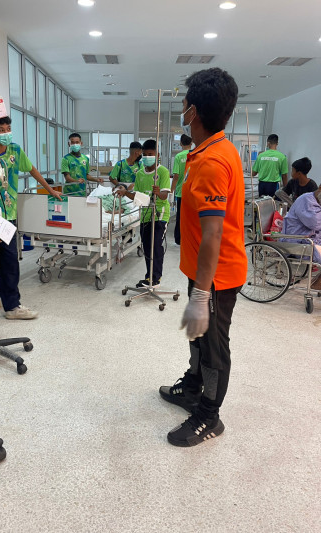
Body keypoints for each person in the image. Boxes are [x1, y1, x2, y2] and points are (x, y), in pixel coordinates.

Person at [159, 68, 247, 447]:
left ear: (193, 111)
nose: (181, 110)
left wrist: (200, 295)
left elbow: (213, 234)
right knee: (198, 337)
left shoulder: (213, 161)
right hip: (203, 269)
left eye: (183, 104)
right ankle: (193, 387)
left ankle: (209, 416)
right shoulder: (206, 151)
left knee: (213, 346)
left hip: (218, 275)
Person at [0, 116, 63, 319]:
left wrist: (50, 190)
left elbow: (32, 170)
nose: (6, 133)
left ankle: (12, 306)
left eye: (8, 128)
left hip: (8, 217)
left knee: (10, 262)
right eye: (1, 129)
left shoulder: (15, 150)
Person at [117, 139, 171, 287]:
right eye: (145, 155)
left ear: (157, 155)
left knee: (156, 246)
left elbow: (165, 196)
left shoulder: (162, 172)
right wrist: (125, 192)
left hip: (160, 215)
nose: (147, 157)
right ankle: (149, 278)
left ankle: (156, 278)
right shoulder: (140, 173)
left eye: (151, 154)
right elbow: (137, 196)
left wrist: (158, 192)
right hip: (145, 215)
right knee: (147, 247)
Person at [282, 186, 321, 288]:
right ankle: (317, 284)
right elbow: (315, 224)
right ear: (320, 188)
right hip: (298, 240)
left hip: (311, 238)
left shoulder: (316, 201)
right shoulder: (306, 200)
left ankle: (317, 282)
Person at [171, 134, 192, 245]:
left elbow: (176, 176)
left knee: (180, 217)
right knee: (191, 218)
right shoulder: (195, 154)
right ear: (191, 143)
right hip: (192, 192)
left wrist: (171, 191)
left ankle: (179, 239)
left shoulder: (179, 156)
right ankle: (189, 239)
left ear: (180, 143)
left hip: (180, 192)